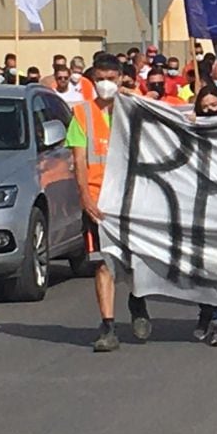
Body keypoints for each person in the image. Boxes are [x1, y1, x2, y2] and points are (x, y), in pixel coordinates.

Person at [67, 55, 152, 352]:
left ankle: (137, 301)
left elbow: (161, 121)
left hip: (131, 199)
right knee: (104, 262)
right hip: (99, 201)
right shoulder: (81, 114)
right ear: (93, 78)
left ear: (119, 79)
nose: (105, 84)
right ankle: (108, 327)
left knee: (134, 258)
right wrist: (86, 198)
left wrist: (132, 95)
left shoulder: (132, 110)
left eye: (111, 78)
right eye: (100, 78)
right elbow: (78, 160)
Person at [191, 86, 217, 347]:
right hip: (196, 208)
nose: (209, 111)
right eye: (204, 106)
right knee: (200, 265)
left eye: (214, 106)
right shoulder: (190, 130)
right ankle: (205, 311)